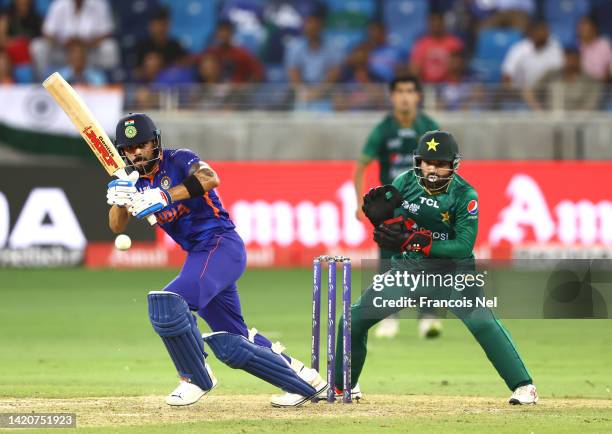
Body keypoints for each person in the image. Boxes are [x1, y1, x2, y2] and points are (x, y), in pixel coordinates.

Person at [106, 113, 326, 408]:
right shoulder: (131, 181)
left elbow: (210, 178)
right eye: (129, 148)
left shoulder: (180, 159)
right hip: (199, 256)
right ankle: (305, 381)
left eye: (142, 145)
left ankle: (195, 377)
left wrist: (165, 196)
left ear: (155, 143)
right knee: (235, 339)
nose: (136, 152)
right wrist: (120, 197)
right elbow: (116, 226)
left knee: (167, 303)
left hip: (221, 245)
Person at [331, 130, 539, 405]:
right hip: (410, 270)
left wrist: (418, 240)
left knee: (482, 323)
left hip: (453, 272)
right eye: (428, 162)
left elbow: (463, 246)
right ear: (418, 162)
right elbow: (394, 235)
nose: (433, 168)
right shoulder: (404, 182)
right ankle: (342, 386)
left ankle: (525, 387)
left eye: (441, 163)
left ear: (453, 165)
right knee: (353, 320)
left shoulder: (466, 195)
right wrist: (384, 225)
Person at [354, 75, 442, 339]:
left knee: (428, 257)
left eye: (410, 91)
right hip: (391, 208)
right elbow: (360, 168)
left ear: (418, 96)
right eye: (400, 91)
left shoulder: (429, 128)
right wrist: (360, 203)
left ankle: (429, 316)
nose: (405, 96)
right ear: (392, 96)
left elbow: (444, 166)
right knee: (388, 264)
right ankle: (389, 318)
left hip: (425, 203)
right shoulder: (383, 129)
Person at [29, 0, 119, 78]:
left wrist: (87, 43)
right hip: (63, 50)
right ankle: (41, 80)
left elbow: (107, 32)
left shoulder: (99, 5)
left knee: (109, 47)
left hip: (89, 50)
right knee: (38, 46)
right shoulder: (59, 5)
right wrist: (62, 43)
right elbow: (47, 32)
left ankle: (109, 79)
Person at [523, 47, 602, 111]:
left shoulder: (591, 81)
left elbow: (590, 107)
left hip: (580, 125)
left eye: (573, 56)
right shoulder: (551, 74)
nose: (570, 59)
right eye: (567, 55)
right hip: (550, 122)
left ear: (580, 58)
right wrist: (540, 112)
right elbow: (528, 92)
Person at [409, 12, 464, 84]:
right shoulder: (421, 44)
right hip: (427, 84)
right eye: (433, 24)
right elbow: (415, 68)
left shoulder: (453, 43)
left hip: (448, 84)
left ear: (443, 24)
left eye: (438, 24)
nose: (436, 27)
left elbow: (458, 66)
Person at [577, 15, 612, 81]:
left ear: (594, 28)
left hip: (602, 83)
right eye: (580, 27)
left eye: (585, 27)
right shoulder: (575, 45)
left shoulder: (604, 44)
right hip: (582, 82)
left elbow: (609, 67)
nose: (582, 30)